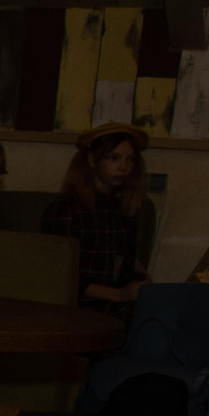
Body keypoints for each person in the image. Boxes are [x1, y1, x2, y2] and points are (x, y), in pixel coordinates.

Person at [41, 122, 151, 307]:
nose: (123, 167)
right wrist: (118, 295)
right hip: (79, 304)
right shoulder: (67, 207)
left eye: (129, 159)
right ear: (92, 160)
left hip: (117, 303)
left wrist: (147, 285)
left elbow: (127, 260)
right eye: (114, 158)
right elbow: (57, 272)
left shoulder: (123, 208)